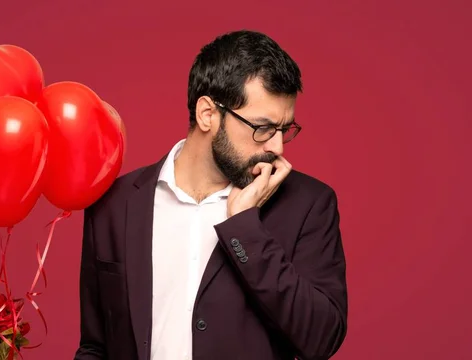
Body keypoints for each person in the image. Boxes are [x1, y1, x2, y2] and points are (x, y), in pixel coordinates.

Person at [74, 29, 348, 360]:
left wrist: (246, 230)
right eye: (262, 128)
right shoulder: (114, 204)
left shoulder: (308, 205)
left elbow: (321, 338)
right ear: (208, 114)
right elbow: (95, 346)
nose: (276, 146)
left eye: (284, 130)